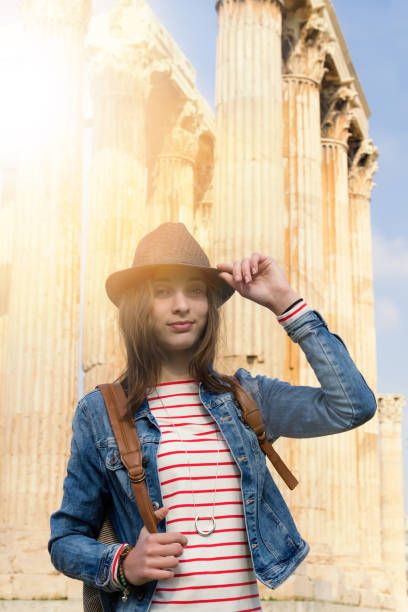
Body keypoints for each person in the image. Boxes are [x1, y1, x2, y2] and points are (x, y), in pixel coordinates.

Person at [49, 222, 377, 612]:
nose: (182, 305)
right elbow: (66, 539)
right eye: (162, 292)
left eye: (196, 291)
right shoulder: (101, 412)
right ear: (138, 304)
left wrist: (285, 302)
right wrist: (122, 564)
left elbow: (353, 406)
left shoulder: (246, 396)